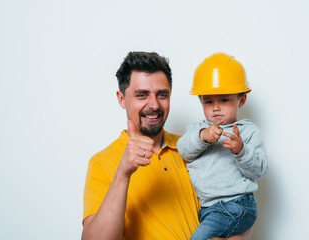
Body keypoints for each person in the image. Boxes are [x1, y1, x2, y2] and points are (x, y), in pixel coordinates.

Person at [82, 51, 255, 240]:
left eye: (162, 95)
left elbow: (238, 204)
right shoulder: (102, 162)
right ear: (121, 99)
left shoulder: (195, 146)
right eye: (142, 95)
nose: (154, 105)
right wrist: (123, 174)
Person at [177, 53, 268, 240]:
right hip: (208, 210)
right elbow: (183, 150)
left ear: (241, 100)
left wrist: (241, 151)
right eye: (208, 101)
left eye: (224, 100)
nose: (215, 108)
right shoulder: (197, 129)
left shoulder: (247, 131)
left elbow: (260, 170)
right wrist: (203, 136)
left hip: (236, 205)